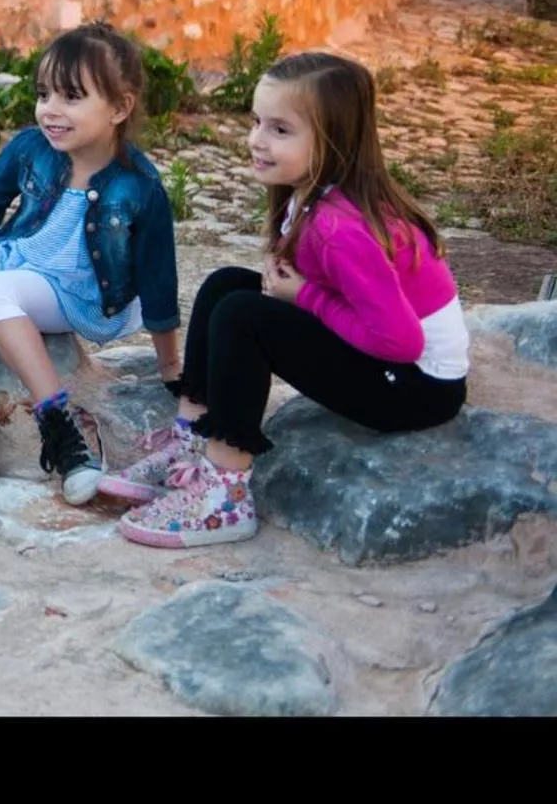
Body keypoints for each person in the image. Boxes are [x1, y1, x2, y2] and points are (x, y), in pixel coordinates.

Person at [111, 51, 469, 548]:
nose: (257, 140)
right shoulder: (312, 193)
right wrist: (303, 295)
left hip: (415, 387)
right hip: (390, 363)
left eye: (281, 130)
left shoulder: (341, 227)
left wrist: (306, 298)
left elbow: (401, 341)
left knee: (245, 316)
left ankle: (224, 494)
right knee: (226, 286)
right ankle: (191, 437)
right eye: (258, 122)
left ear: (333, 142)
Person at [0, 22, 182, 503]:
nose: (51, 110)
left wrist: (169, 366)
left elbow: (160, 279)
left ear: (120, 107)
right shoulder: (30, 148)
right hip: (20, 251)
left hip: (78, 291)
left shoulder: (139, 185)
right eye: (44, 94)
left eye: (73, 96)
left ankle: (62, 420)